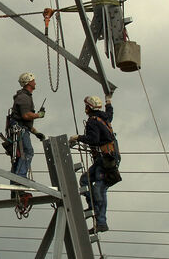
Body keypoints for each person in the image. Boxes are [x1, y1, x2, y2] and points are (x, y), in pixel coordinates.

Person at [70, 94, 115, 234]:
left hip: (106, 158)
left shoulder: (92, 121)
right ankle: (92, 205)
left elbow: (93, 139)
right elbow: (110, 114)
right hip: (107, 157)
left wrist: (78, 138)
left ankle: (101, 222)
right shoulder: (103, 117)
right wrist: (108, 101)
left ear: (89, 108)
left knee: (99, 188)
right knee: (85, 180)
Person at [8, 72, 46, 197]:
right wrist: (38, 115)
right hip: (20, 129)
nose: (35, 82)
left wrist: (36, 132)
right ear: (28, 82)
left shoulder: (25, 96)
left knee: (20, 156)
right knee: (27, 152)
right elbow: (25, 116)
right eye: (33, 80)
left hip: (21, 128)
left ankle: (16, 183)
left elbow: (24, 121)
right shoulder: (24, 97)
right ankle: (20, 180)